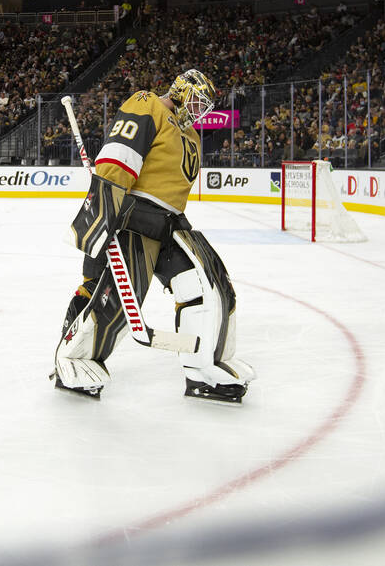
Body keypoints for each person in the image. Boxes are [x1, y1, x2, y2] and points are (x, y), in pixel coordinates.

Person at [52, 69, 255, 403]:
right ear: (179, 90)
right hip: (133, 216)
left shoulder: (190, 135)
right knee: (117, 297)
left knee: (210, 286)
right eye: (197, 100)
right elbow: (120, 154)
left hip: (172, 222)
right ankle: (74, 358)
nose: (199, 109)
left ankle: (205, 367)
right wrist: (104, 208)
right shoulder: (148, 104)